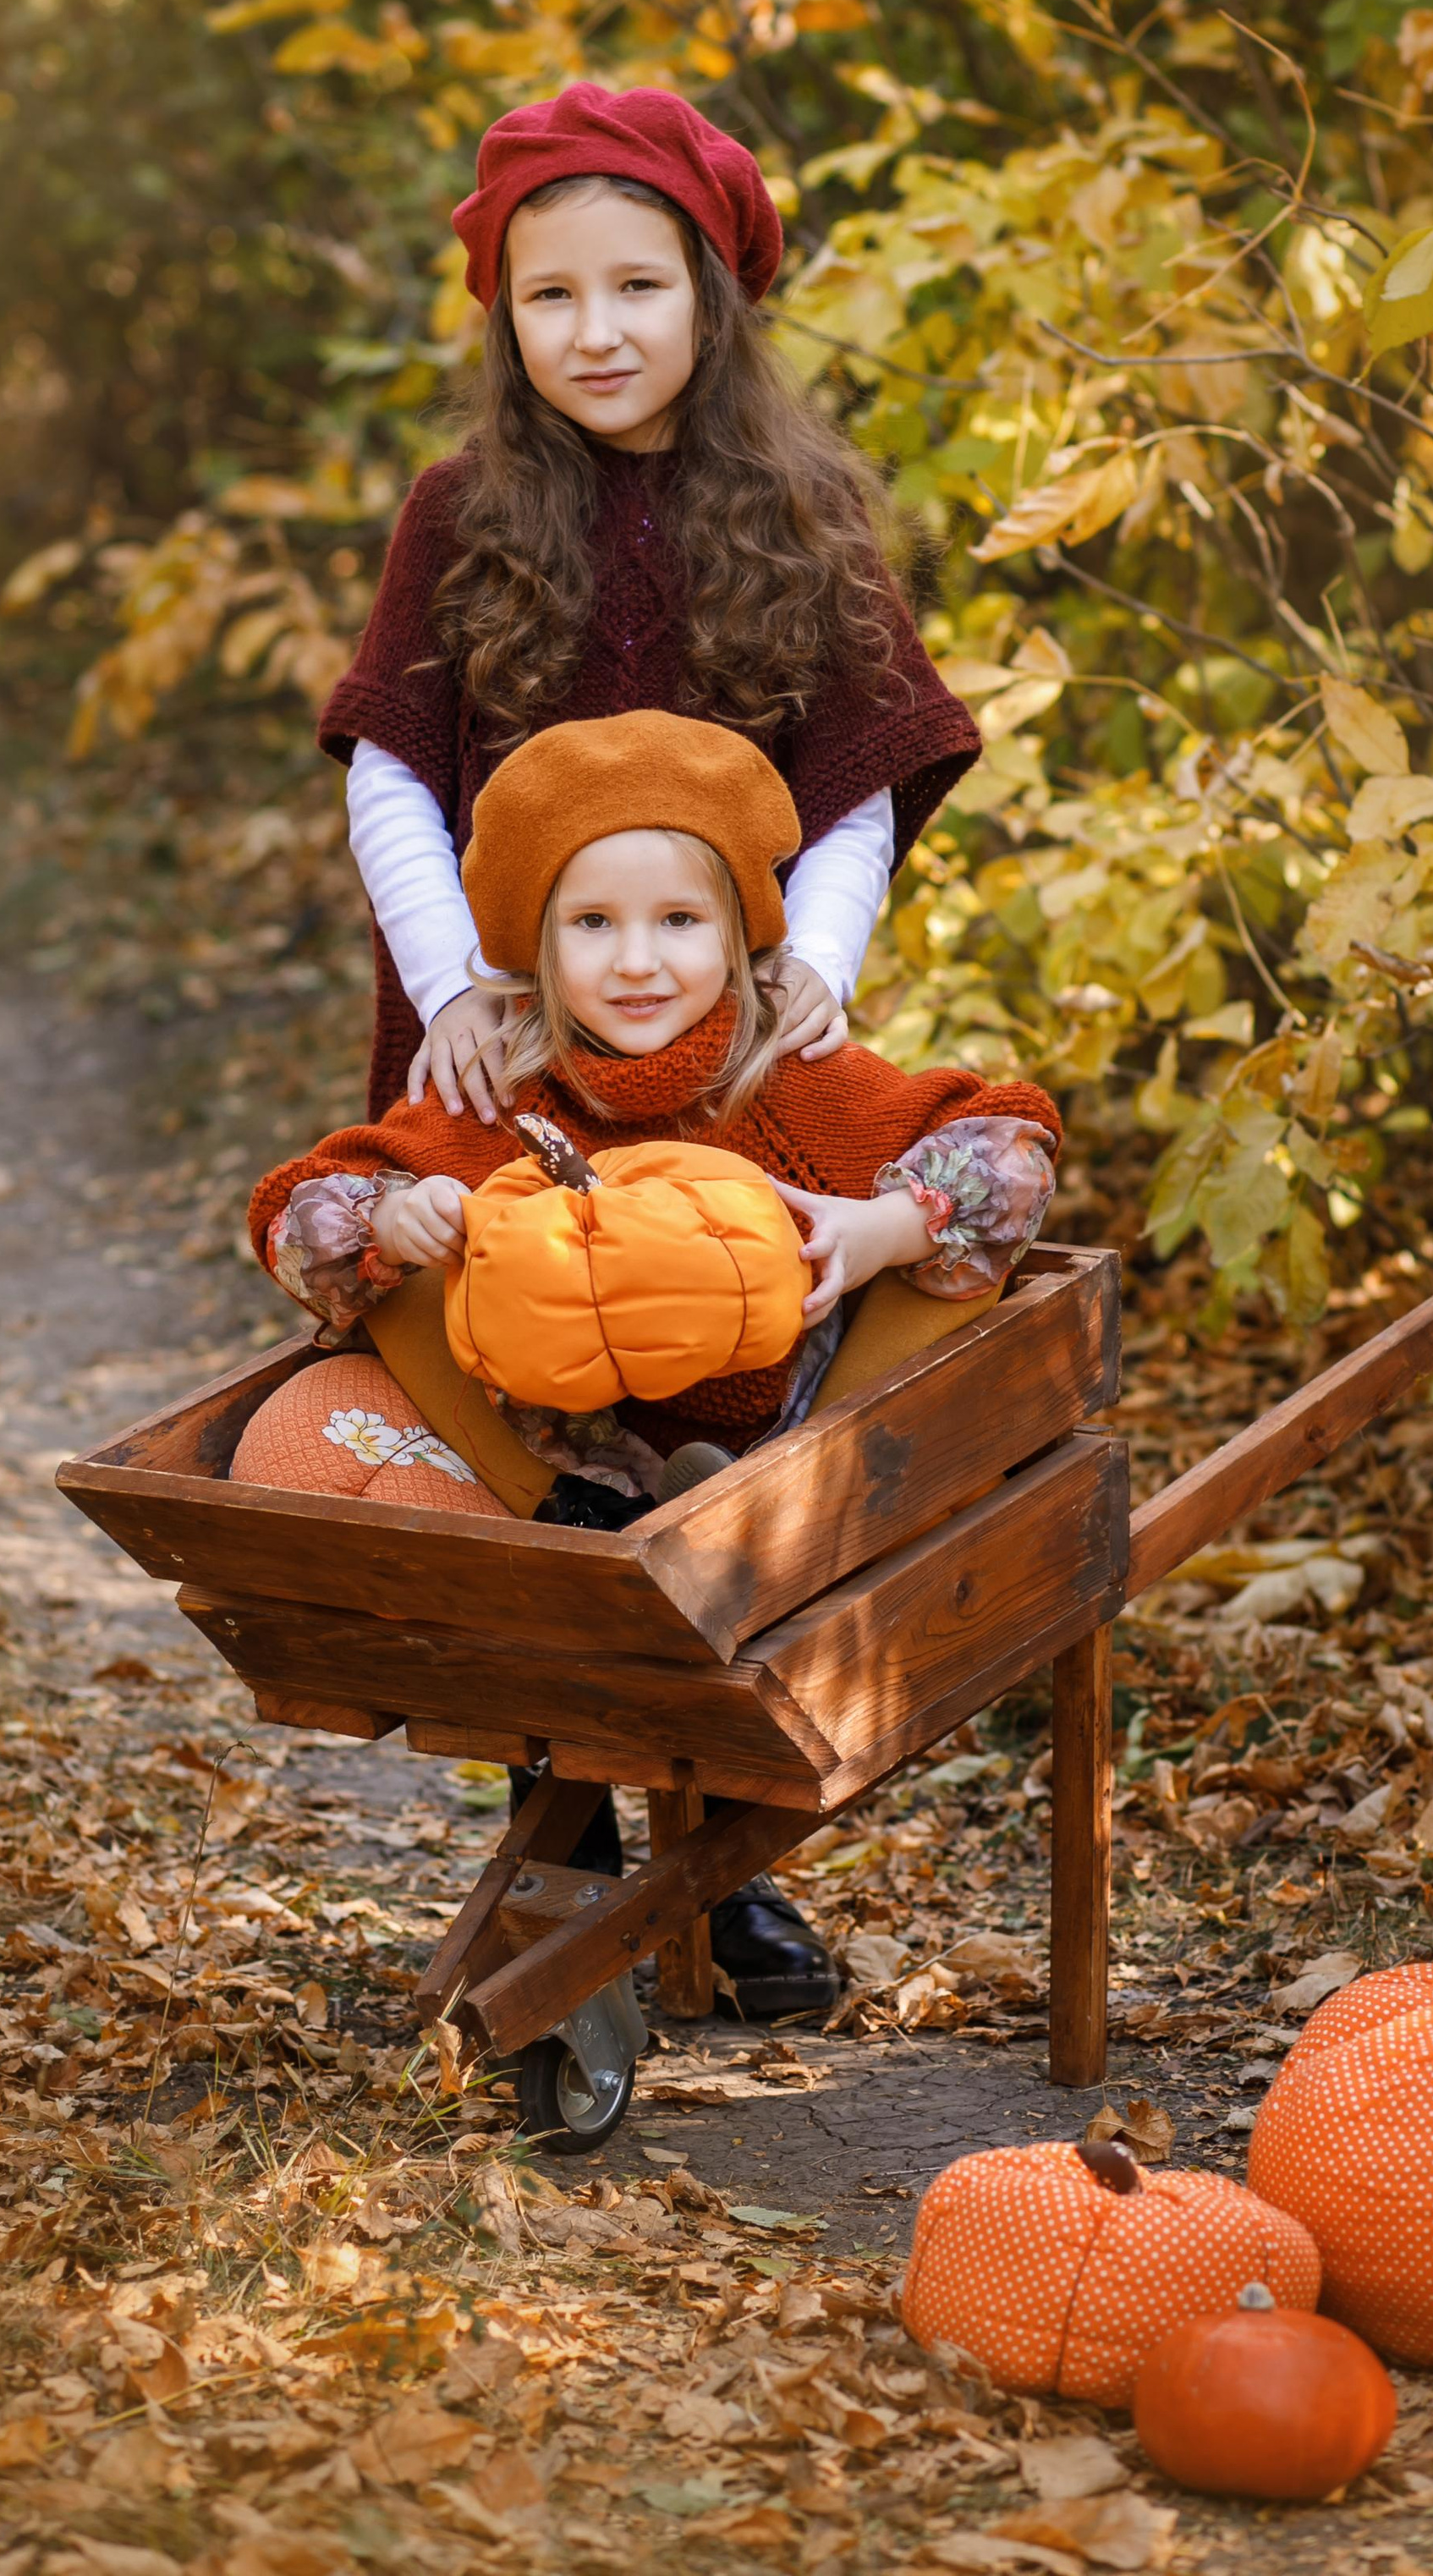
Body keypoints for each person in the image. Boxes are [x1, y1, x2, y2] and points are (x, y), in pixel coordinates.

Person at [241, 713, 1062, 2014]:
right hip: (554, 1484)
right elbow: (300, 1212)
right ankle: (566, 1854)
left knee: (728, 1579)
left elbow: (1011, 1153)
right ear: (531, 944)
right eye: (593, 926)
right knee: (549, 1581)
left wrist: (882, 1222)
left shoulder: (793, 1080)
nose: (638, 963)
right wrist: (390, 1220)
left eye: (679, 921)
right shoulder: (495, 1088)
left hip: (758, 1473)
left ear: (739, 931)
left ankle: (728, 1878)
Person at [319, 80, 981, 1119]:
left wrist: (813, 960)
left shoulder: (806, 510)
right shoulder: (460, 511)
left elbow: (856, 777)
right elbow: (391, 773)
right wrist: (452, 987)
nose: (594, 334)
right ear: (506, 318)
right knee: (506, 1263)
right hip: (503, 1033)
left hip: (733, 1026)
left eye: (637, 286)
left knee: (731, 1256)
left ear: (708, 299)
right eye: (550, 296)